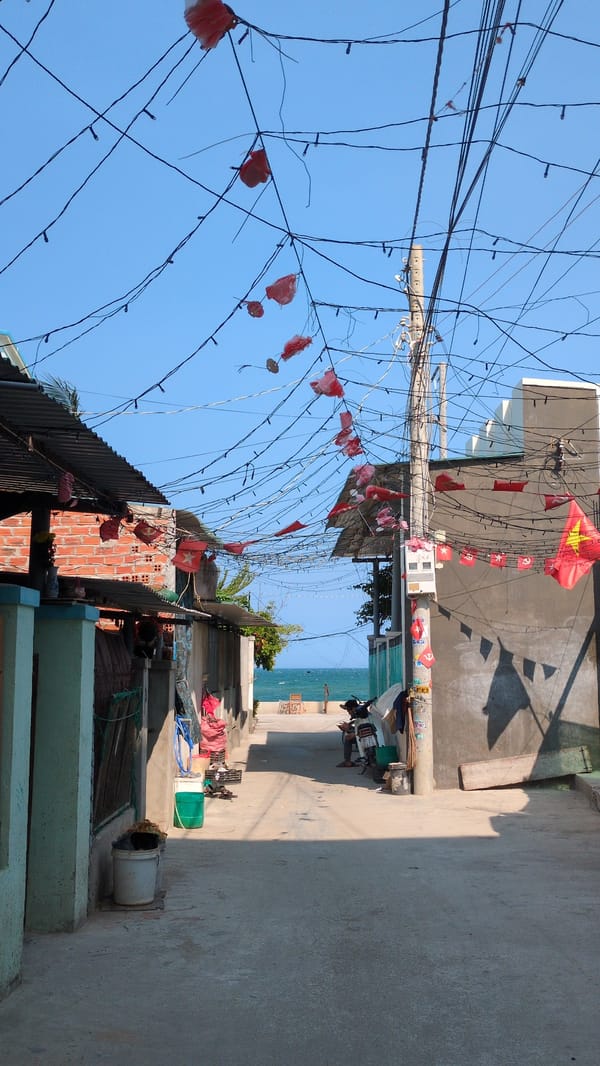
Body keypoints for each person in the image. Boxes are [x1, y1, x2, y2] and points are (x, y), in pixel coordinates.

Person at [336, 698, 368, 767]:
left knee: (348, 738)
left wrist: (352, 732)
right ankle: (347, 761)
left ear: (353, 709)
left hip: (365, 736)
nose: (348, 713)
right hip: (363, 734)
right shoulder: (360, 712)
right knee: (348, 736)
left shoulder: (361, 714)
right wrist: (349, 727)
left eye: (348, 711)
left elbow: (363, 727)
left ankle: (347, 762)